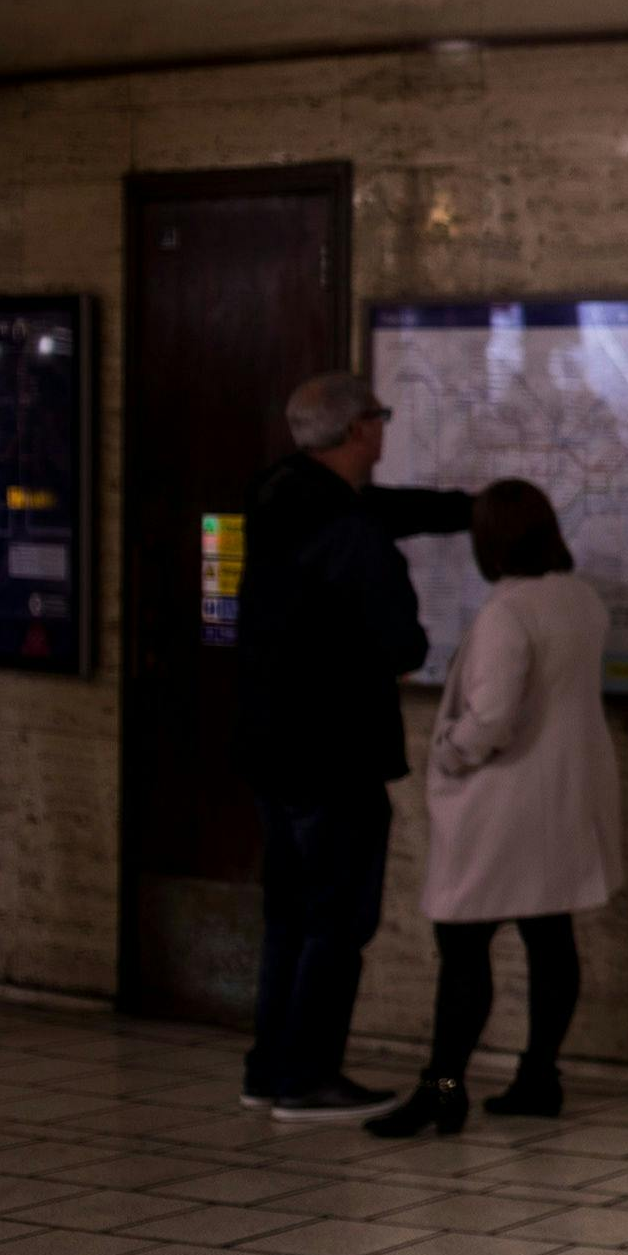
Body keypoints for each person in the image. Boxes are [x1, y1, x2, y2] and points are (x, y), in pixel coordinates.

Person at [235, 372, 473, 1123]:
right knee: (337, 916)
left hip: (271, 745)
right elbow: (403, 645)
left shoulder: (279, 493)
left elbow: (386, 508)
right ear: (355, 432)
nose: (384, 427)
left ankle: (270, 1067)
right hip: (335, 752)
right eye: (379, 417)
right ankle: (308, 1076)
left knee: (289, 911)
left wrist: (471, 510)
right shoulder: (352, 532)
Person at [369, 481, 618, 1138]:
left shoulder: (507, 614)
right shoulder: (580, 598)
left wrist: (447, 750)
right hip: (562, 798)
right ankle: (539, 1074)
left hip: (499, 807)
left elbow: (491, 719)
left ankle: (444, 1086)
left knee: (463, 943)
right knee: (549, 935)